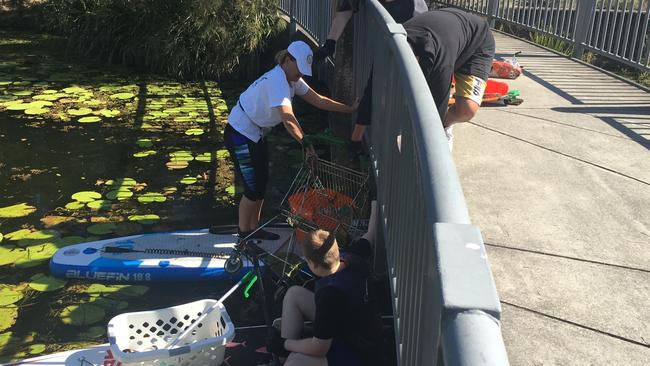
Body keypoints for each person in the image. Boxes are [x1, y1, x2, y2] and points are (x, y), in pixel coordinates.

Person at [210, 41, 357, 240]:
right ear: (287, 60)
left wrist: (349, 109)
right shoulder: (277, 80)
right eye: (300, 70)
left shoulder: (292, 78)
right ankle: (244, 235)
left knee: (262, 181)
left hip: (256, 132)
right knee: (252, 187)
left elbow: (319, 100)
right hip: (239, 133)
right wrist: (306, 144)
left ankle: (254, 226)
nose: (301, 75)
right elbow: (288, 118)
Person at [267, 202, 379, 366]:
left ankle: (286, 355)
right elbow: (370, 235)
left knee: (295, 361)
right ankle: (283, 357)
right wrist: (375, 203)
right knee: (294, 294)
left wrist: (283, 344)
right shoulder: (352, 256)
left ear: (312, 264)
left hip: (358, 349)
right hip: (352, 322)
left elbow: (320, 348)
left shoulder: (329, 295)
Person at [313, 0, 428, 151]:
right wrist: (329, 44)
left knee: (410, 85)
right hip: (391, 30)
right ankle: (360, 137)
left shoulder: (413, 8)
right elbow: (344, 11)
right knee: (379, 79)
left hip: (415, 29)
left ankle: (409, 138)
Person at [404, 8, 496, 150]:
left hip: (477, 42)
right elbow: (372, 87)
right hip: (448, 32)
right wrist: (356, 138)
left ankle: (448, 124)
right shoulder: (395, 45)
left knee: (467, 110)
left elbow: (434, 112)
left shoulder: (440, 64)